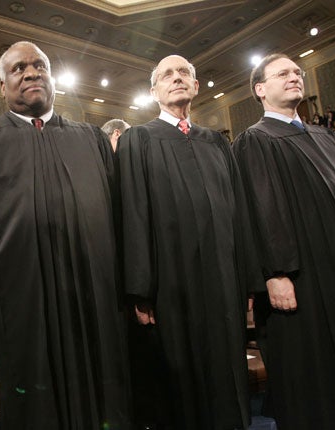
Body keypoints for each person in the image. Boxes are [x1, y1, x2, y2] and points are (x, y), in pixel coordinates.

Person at [0, 41, 131, 429]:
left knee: (103, 392)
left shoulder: (92, 139)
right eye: (18, 69)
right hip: (20, 299)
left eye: (39, 66)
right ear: (2, 85)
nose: (31, 73)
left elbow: (117, 218)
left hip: (93, 295)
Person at [232, 53, 335, 430]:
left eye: (298, 72)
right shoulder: (256, 140)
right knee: (318, 374)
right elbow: (262, 212)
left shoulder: (325, 136)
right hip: (304, 279)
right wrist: (276, 273)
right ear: (260, 89)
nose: (295, 77)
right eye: (283, 73)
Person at [116, 54, 259, 429]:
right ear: (154, 91)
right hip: (170, 284)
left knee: (228, 374)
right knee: (179, 384)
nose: (176, 78)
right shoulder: (138, 139)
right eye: (167, 74)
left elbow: (238, 211)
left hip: (223, 279)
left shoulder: (216, 141)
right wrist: (140, 290)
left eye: (184, 74)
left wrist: (244, 276)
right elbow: (133, 214)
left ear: (196, 87)